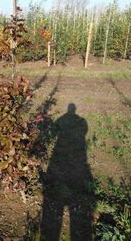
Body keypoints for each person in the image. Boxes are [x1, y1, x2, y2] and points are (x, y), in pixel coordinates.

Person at [41, 103, 95, 240]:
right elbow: (83, 130)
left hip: (65, 160)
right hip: (76, 159)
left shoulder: (63, 119)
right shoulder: (81, 121)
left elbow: (55, 130)